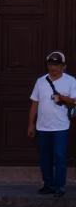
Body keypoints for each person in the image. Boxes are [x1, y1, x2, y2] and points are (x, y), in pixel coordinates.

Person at [28, 51, 76, 197]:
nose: (53, 68)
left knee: (59, 155)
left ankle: (59, 186)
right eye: (51, 64)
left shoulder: (71, 81)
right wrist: (31, 124)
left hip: (61, 126)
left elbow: (74, 100)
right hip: (43, 126)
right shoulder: (40, 81)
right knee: (45, 157)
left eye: (57, 65)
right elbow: (34, 103)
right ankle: (48, 184)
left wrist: (62, 98)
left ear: (63, 66)